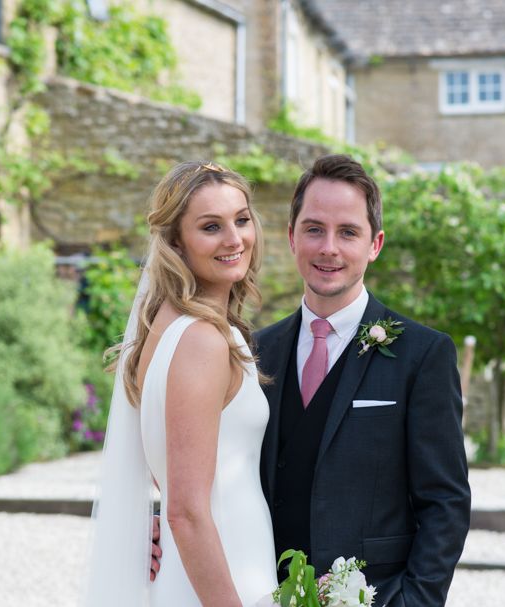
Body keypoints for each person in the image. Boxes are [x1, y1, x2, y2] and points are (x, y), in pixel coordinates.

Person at [253, 154, 471, 607]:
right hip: (259, 591)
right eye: (314, 229)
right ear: (291, 238)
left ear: (375, 244)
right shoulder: (254, 351)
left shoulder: (423, 354)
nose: (328, 247)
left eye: (348, 232)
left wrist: (414, 600)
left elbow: (445, 502)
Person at [84, 161, 277, 607]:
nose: (235, 239)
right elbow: (186, 512)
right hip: (222, 583)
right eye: (211, 227)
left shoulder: (166, 328)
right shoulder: (201, 341)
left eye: (242, 219)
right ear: (175, 242)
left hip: (213, 571)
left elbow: (171, 472)